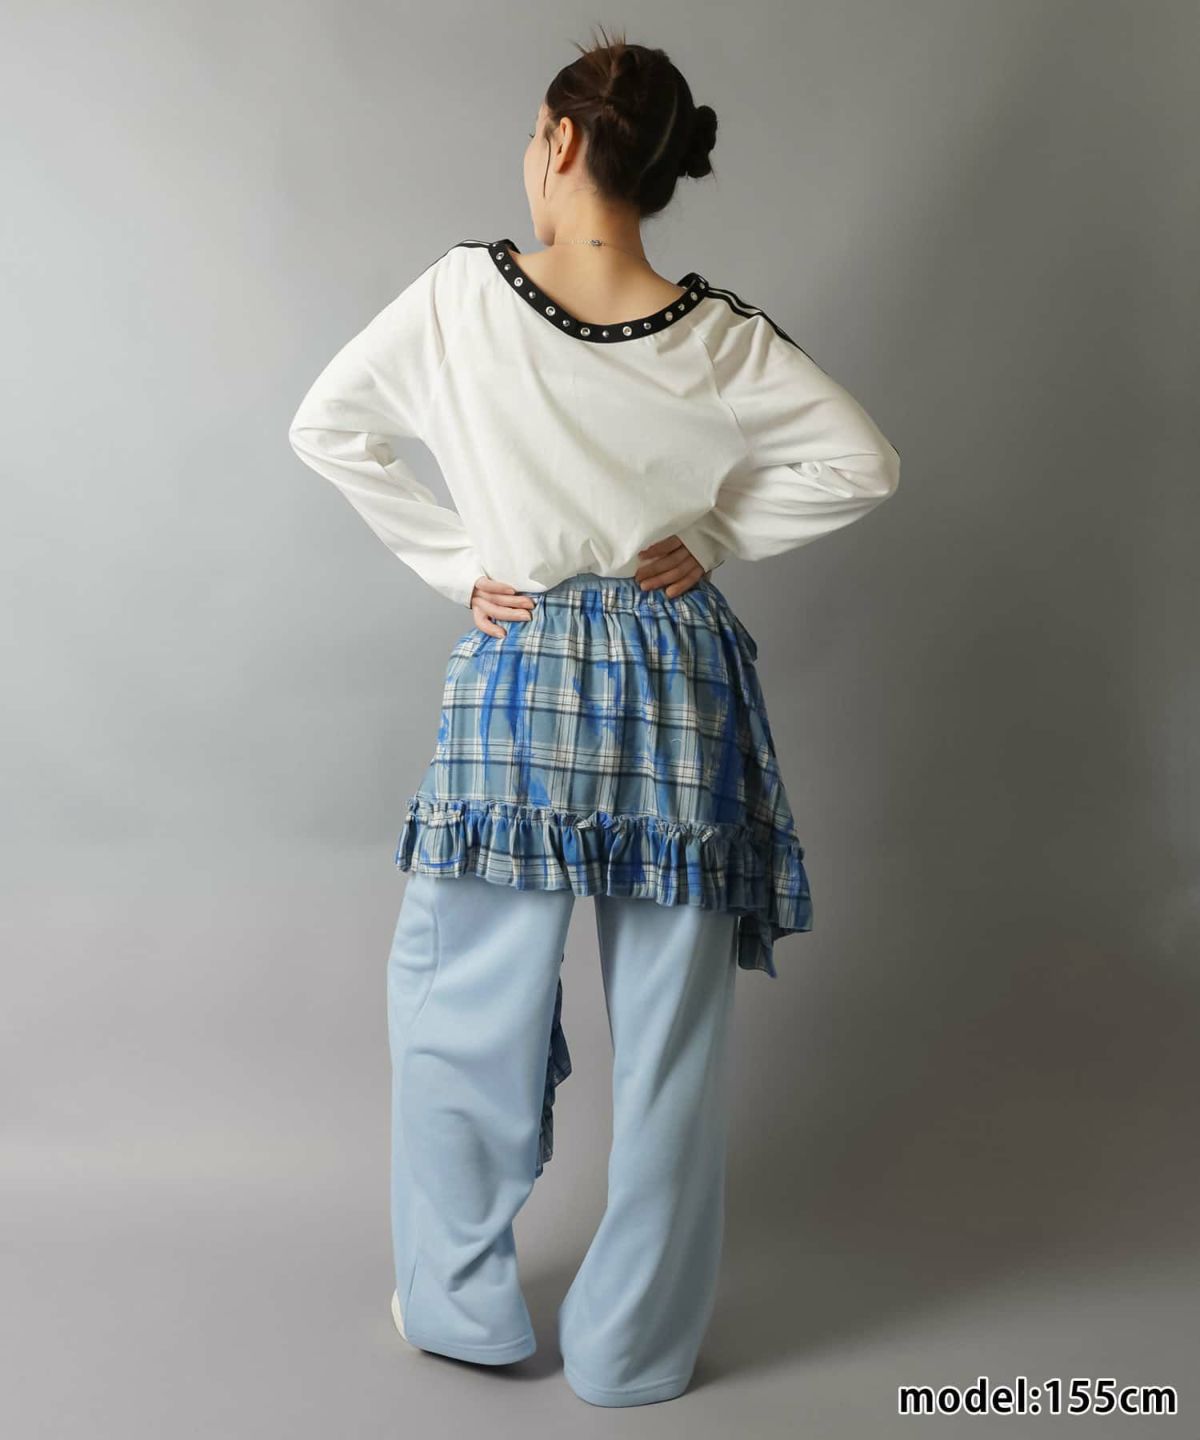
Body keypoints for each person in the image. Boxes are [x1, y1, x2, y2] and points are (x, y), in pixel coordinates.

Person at [287, 24, 899, 1409]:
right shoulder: (720, 333)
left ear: (563, 141)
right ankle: (636, 1350)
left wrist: (462, 568)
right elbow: (864, 463)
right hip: (676, 676)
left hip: (524, 666)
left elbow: (329, 426)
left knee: (465, 1007)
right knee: (673, 1039)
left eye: (533, 135)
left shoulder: (462, 294)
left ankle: (462, 1307)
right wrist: (718, 536)